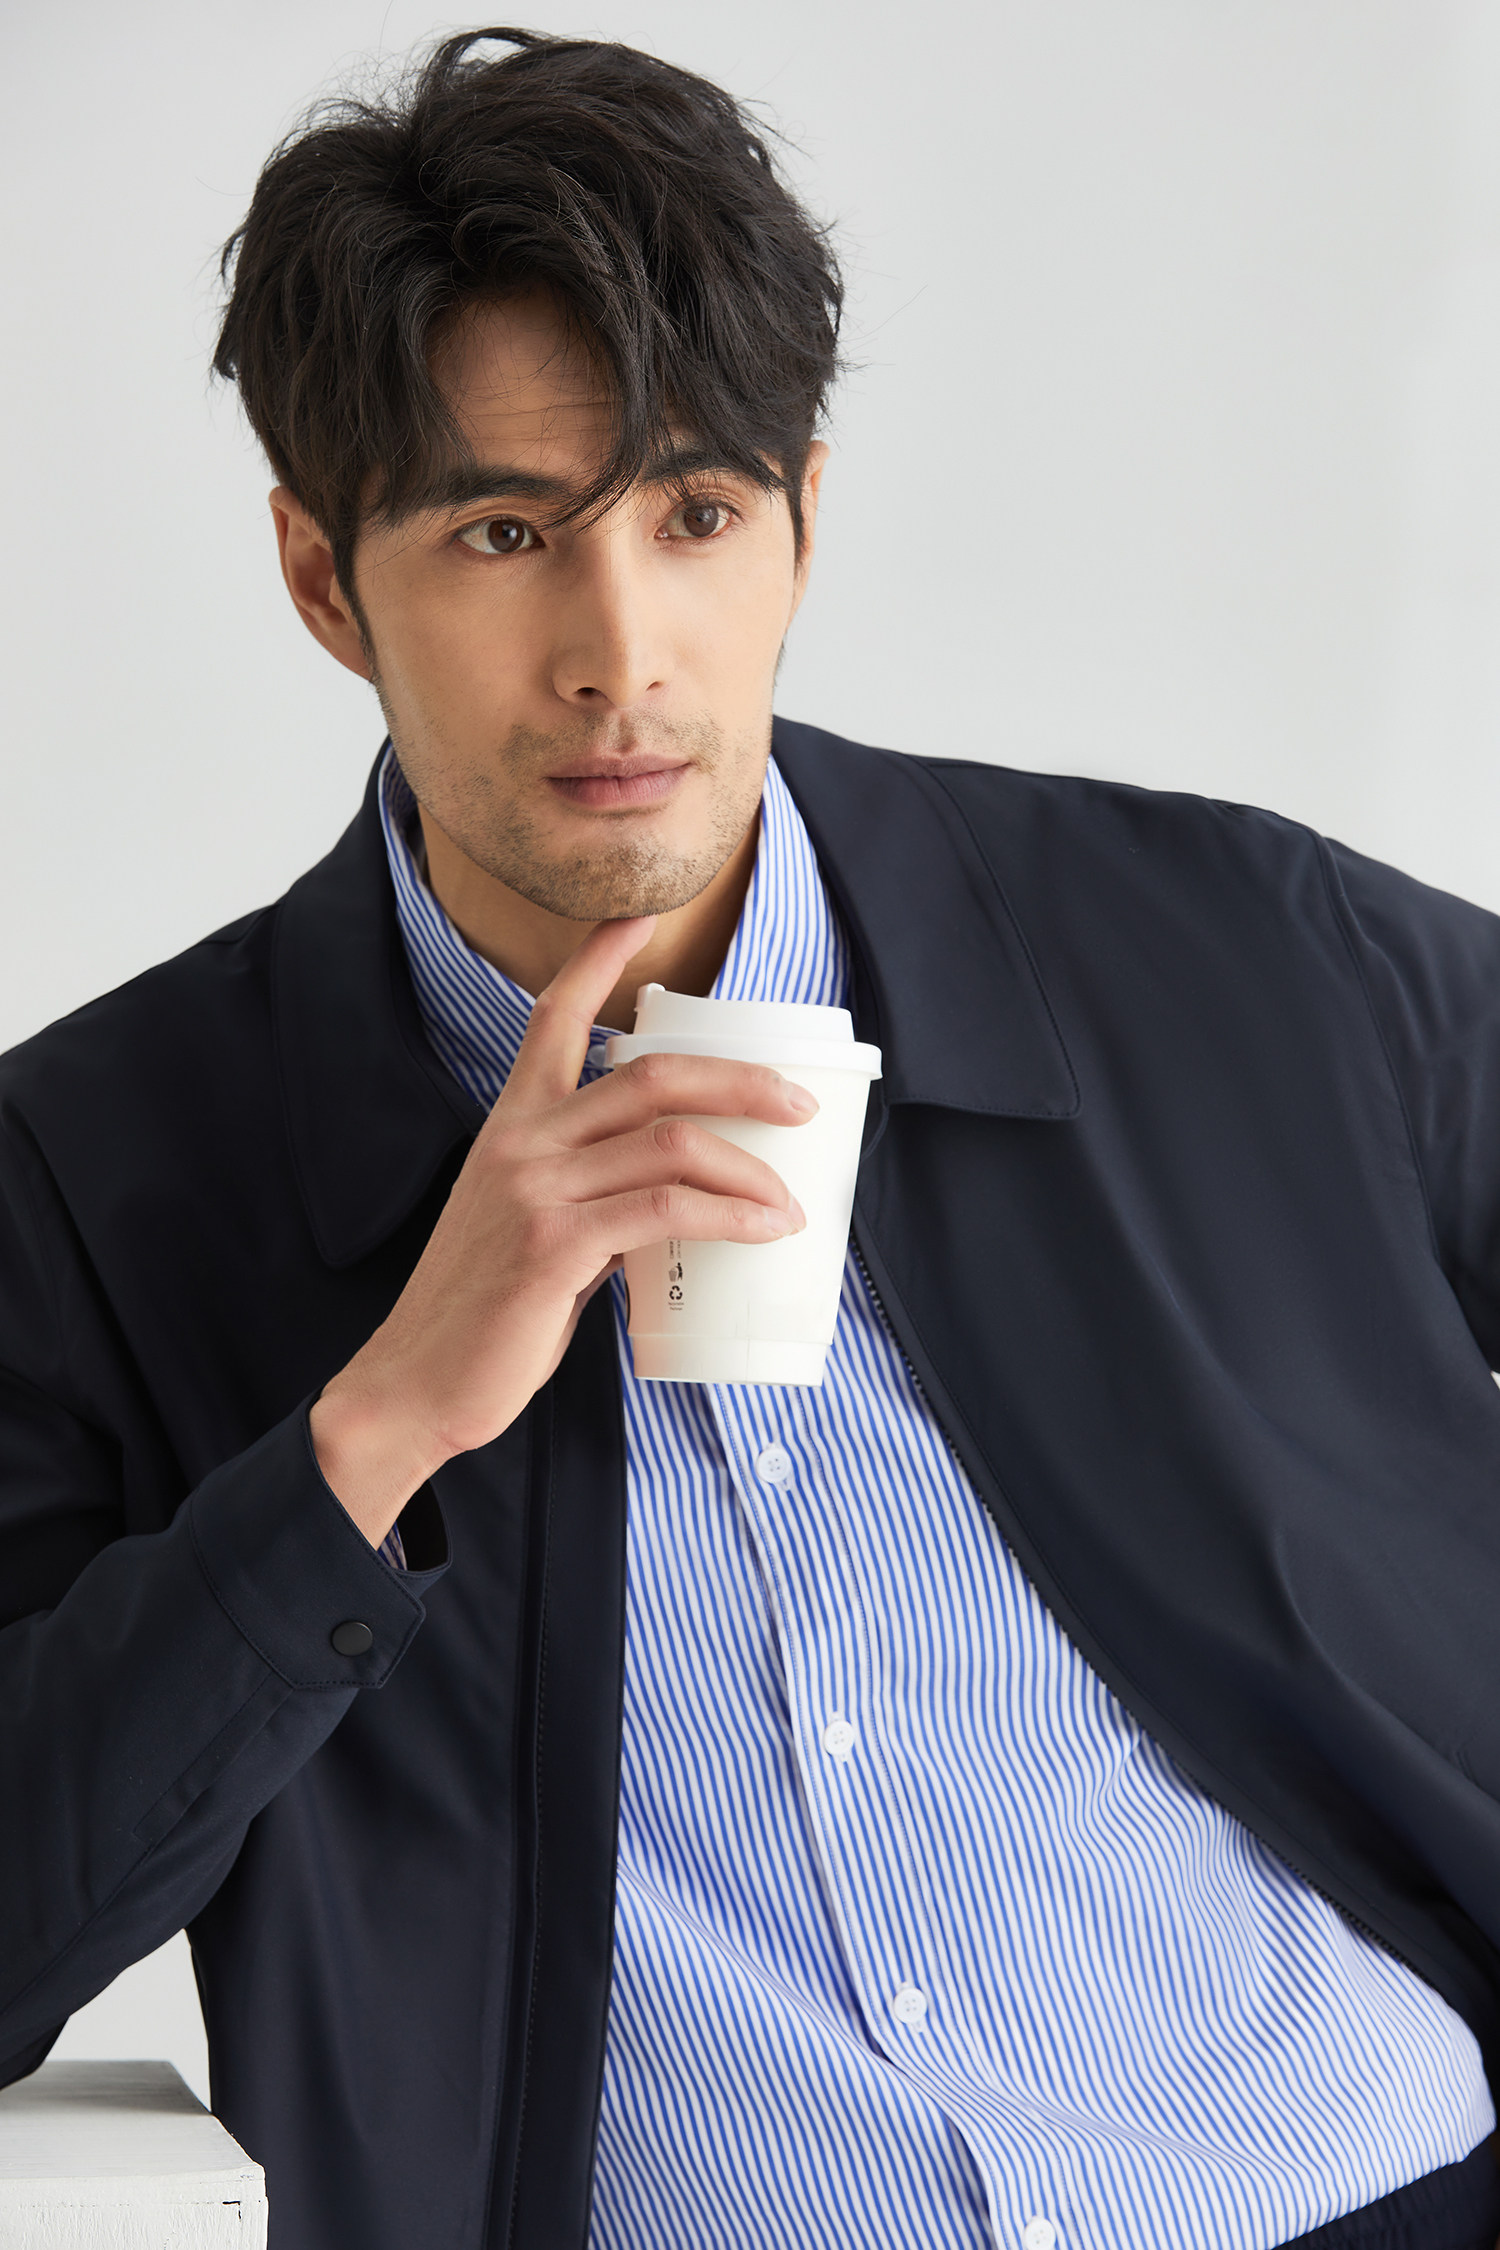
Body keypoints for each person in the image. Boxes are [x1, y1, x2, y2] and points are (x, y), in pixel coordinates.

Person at [5, 24, 1500, 2250]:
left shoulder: (1225, 950)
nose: (620, 654)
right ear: (326, 581)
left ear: (803, 516)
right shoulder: (101, 1176)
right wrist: (376, 1432)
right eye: (504, 533)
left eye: (694, 516)